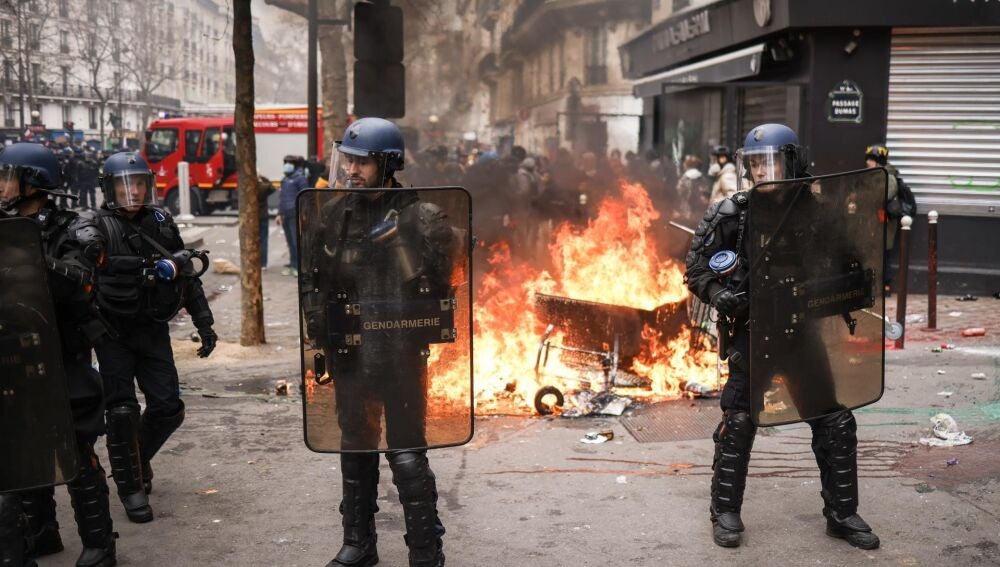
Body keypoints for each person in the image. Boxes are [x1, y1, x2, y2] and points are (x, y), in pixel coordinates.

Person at [685, 124, 881, 551]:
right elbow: (696, 269)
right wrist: (719, 294)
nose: (761, 170)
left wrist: (843, 287)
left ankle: (842, 514)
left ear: (792, 162)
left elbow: (850, 263)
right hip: (752, 336)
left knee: (834, 421)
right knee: (738, 424)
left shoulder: (817, 212)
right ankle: (725, 512)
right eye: (755, 162)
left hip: (801, 334)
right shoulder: (732, 214)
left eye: (770, 161)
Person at [303, 117, 451, 567]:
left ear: (387, 165)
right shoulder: (333, 215)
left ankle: (425, 550)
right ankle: (358, 543)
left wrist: (405, 245)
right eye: (348, 161)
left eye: (362, 163)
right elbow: (316, 283)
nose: (352, 170)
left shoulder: (421, 216)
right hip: (352, 354)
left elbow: (441, 288)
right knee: (356, 448)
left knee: (406, 454)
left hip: (402, 354)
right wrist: (319, 335)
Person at [0, 142, 117, 567]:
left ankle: (100, 544)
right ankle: (42, 533)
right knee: (21, 448)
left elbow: (82, 277)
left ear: (33, 183)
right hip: (14, 356)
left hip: (63, 355)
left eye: (7, 176)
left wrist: (28, 257)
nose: (1, 185)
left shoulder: (75, 227)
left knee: (77, 449)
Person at [91, 152, 217, 524]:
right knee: (122, 411)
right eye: (124, 186)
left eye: (138, 184)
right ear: (110, 189)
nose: (132, 192)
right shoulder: (95, 226)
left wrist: (204, 323)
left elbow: (186, 274)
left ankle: (137, 457)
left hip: (152, 329)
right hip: (112, 332)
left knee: (167, 407)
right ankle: (131, 487)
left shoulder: (160, 221)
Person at [864, 145, 901, 293]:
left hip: (884, 223)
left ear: (879, 161)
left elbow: (884, 196)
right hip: (871, 222)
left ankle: (886, 284)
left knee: (884, 253)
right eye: (868, 159)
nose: (868, 162)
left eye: (872, 159)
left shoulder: (888, 177)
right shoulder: (870, 176)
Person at [276, 154, 309, 276]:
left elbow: (305, 197)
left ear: (295, 165)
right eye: (285, 163)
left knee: (296, 241)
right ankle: (293, 263)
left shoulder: (300, 179)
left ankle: (298, 266)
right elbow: (282, 198)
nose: (287, 165)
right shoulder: (284, 179)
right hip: (285, 214)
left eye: (289, 163)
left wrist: (303, 213)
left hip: (295, 213)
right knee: (290, 241)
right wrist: (279, 213)